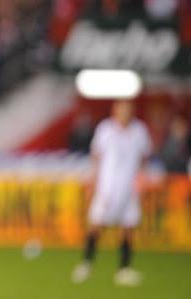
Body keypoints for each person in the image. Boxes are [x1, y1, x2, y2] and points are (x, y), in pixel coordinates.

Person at [71, 100, 152, 286]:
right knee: (96, 225)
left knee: (128, 228)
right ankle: (86, 264)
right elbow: (96, 155)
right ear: (115, 111)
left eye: (128, 109)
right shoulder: (105, 129)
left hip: (129, 188)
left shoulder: (139, 131)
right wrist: (93, 179)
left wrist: (142, 177)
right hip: (107, 187)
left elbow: (144, 156)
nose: (124, 112)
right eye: (121, 109)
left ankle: (124, 269)